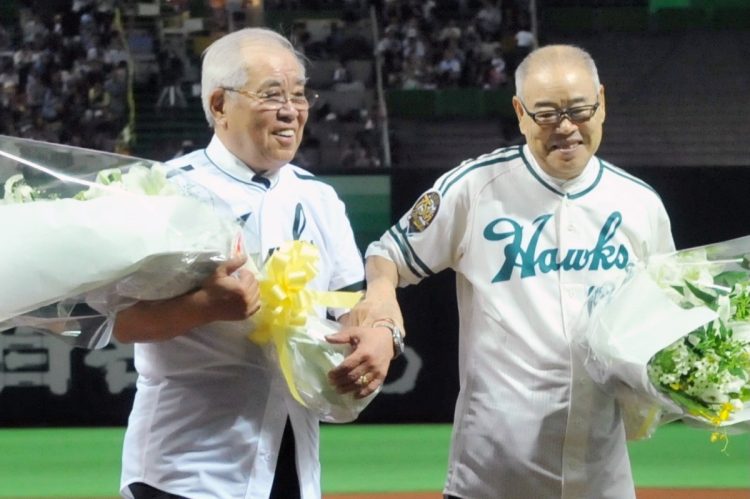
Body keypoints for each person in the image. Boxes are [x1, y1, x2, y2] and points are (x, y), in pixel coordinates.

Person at [329, 45, 675, 498]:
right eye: (547, 113)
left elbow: (666, 320)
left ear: (603, 103)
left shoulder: (640, 204)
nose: (566, 127)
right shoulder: (475, 188)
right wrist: (379, 298)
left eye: (580, 109)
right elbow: (388, 253)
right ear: (520, 112)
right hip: (492, 475)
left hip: (601, 475)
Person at [113, 28, 388, 499]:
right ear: (219, 105)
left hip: (292, 467)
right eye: (272, 94)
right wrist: (205, 305)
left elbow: (349, 307)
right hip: (187, 470)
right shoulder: (167, 192)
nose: (291, 110)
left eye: (299, 95)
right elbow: (118, 322)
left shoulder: (319, 198)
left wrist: (377, 337)